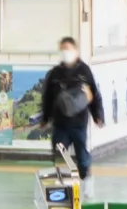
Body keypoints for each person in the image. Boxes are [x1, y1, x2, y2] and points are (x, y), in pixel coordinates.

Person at [39, 36, 105, 176]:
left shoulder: (84, 71)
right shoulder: (55, 73)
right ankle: (62, 183)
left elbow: (94, 94)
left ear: (75, 51)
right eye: (62, 49)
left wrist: (98, 115)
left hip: (79, 122)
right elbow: (48, 97)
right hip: (60, 123)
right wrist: (45, 118)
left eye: (68, 49)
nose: (65, 52)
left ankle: (85, 178)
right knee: (59, 154)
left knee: (81, 155)